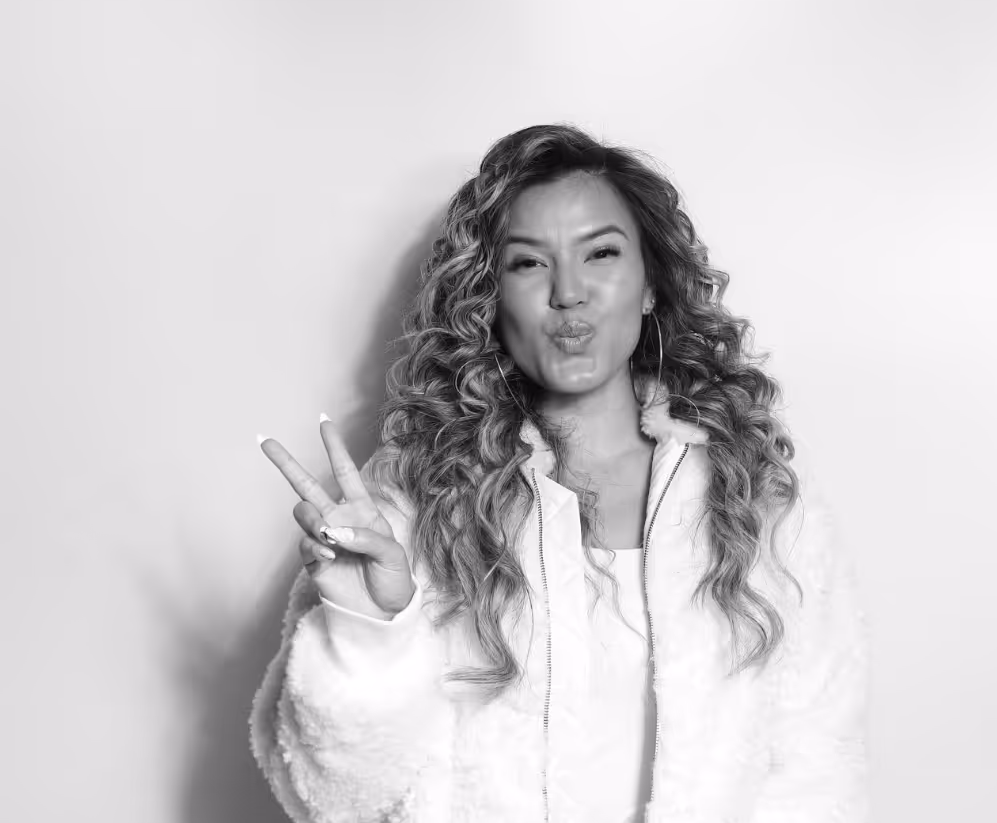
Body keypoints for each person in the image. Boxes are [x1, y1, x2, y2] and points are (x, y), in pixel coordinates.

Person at [249, 124, 871, 823]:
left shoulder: (754, 494)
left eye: (600, 253)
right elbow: (340, 799)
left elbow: (817, 766)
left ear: (649, 285)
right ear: (489, 296)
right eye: (528, 264)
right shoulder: (416, 495)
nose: (568, 293)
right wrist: (364, 626)